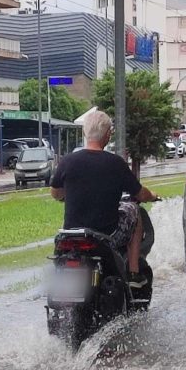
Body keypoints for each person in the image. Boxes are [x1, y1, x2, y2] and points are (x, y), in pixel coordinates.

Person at [50, 110, 158, 293]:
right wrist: (153, 195)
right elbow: (140, 195)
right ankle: (133, 273)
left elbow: (56, 193)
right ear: (108, 135)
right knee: (135, 212)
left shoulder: (67, 161)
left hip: (72, 235)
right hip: (107, 235)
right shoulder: (116, 163)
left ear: (85, 132)